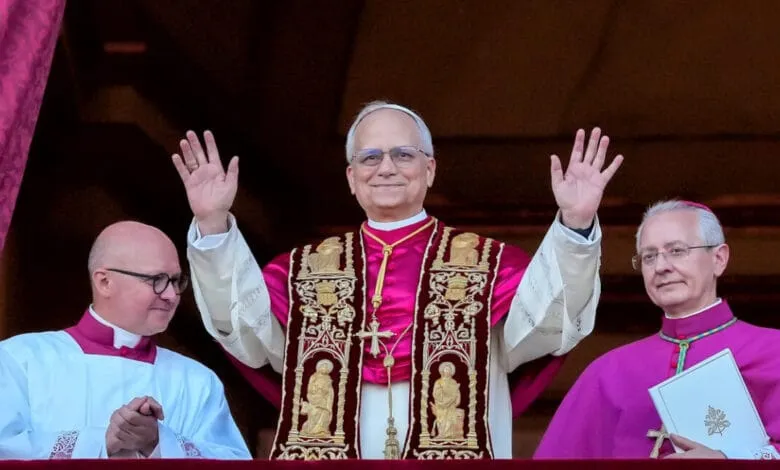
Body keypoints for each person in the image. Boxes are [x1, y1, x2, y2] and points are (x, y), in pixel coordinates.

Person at [173, 100, 623, 459]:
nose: (385, 167)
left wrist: (574, 226)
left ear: (430, 169)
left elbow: (548, 323)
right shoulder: (304, 270)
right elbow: (249, 335)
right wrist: (213, 226)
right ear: (351, 178)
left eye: (403, 154)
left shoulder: (488, 264)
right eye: (370, 157)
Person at [534, 200, 780, 460]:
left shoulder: (773, 351)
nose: (661, 267)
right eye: (649, 256)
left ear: (719, 259)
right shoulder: (608, 371)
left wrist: (727, 461)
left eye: (677, 251)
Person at [0, 221, 251, 459]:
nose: (172, 295)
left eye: (176, 281)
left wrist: (159, 442)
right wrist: (101, 442)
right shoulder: (20, 360)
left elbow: (233, 462)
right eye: (157, 280)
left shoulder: (197, 381)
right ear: (104, 282)